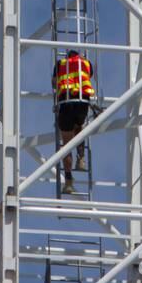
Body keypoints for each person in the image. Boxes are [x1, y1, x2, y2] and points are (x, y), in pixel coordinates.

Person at [53, 50, 95, 194]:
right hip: (82, 102)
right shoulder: (86, 63)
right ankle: (81, 158)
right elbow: (89, 76)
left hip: (66, 102)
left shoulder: (60, 64)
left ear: (67, 57)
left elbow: (54, 83)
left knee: (66, 144)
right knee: (79, 127)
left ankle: (69, 180)